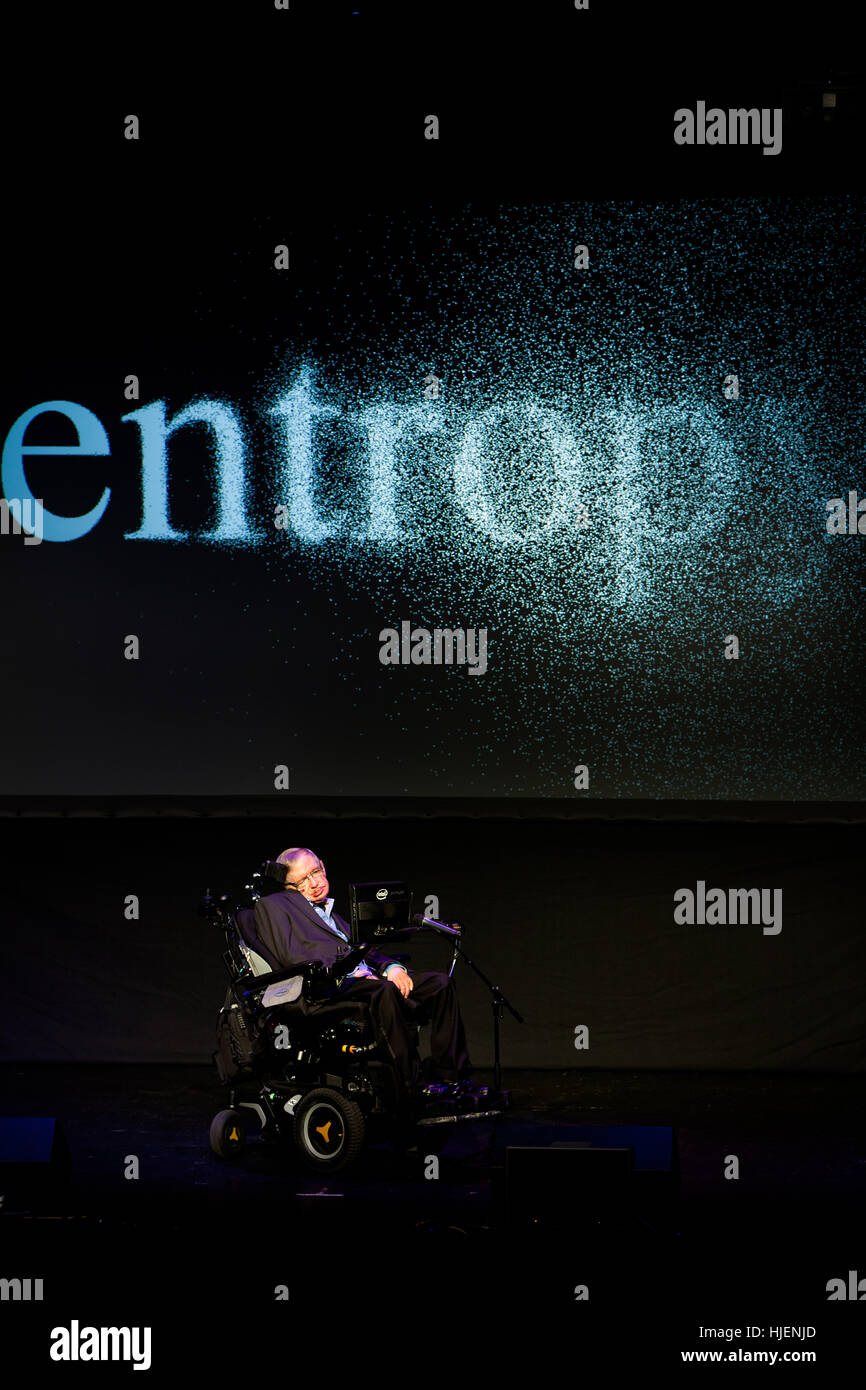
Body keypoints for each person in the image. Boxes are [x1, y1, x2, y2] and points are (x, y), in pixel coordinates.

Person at [252, 847, 473, 1118]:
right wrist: (344, 971)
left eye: (316, 872)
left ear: (323, 865)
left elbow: (361, 948)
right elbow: (290, 956)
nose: (314, 883)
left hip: (367, 979)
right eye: (302, 881)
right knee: (383, 990)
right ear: (288, 886)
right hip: (326, 987)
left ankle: (450, 1076)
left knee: (440, 984)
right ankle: (411, 1085)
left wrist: (391, 967)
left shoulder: (330, 914)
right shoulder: (274, 906)